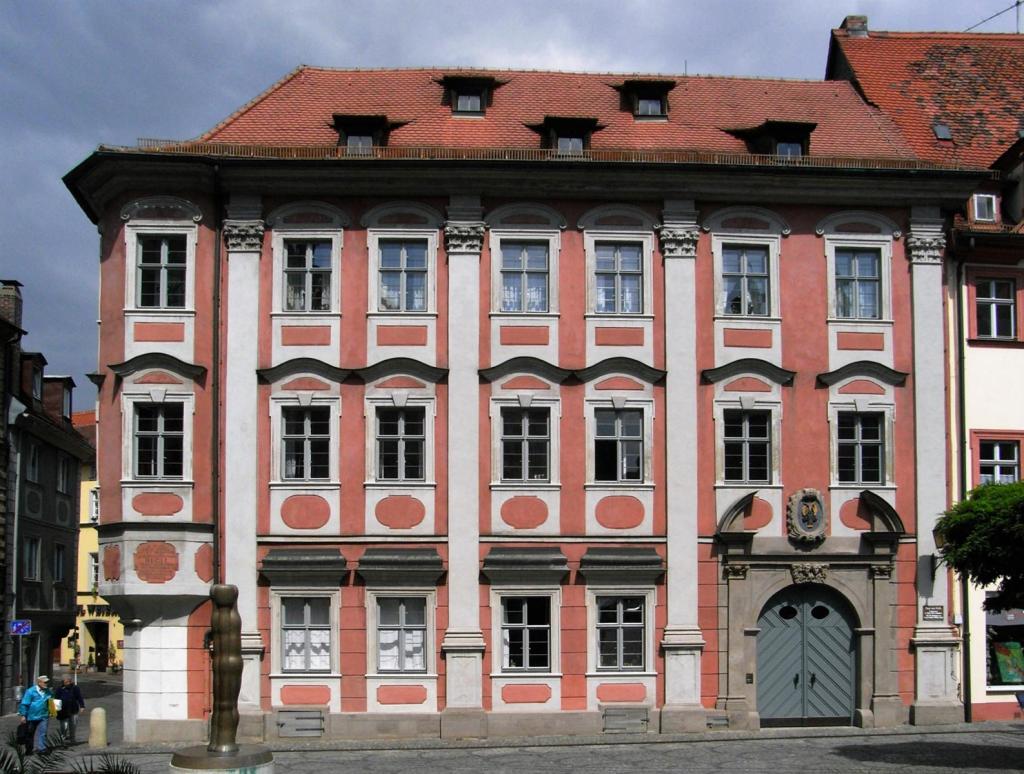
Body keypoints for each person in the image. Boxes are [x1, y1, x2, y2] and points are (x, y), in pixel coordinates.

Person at [18, 675, 53, 755]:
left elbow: (52, 701)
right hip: (31, 716)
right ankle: (29, 749)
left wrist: (53, 711)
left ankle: (42, 749)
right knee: (30, 733)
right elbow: (24, 703)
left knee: (43, 733)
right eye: (45, 682)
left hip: (44, 715)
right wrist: (23, 715)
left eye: (47, 682)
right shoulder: (30, 691)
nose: (46, 684)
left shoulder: (48, 691)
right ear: (39, 682)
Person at [55, 674, 85, 746]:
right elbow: (56, 699)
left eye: (69, 681)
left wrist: (82, 706)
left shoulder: (75, 688)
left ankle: (72, 739)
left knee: (73, 725)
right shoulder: (59, 689)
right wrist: (56, 710)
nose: (68, 683)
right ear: (63, 682)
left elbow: (79, 697)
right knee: (64, 726)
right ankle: (63, 739)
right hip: (63, 711)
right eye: (66, 682)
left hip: (73, 709)